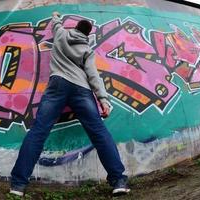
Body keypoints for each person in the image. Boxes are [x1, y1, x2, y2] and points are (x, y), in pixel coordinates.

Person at [9, 11, 130, 197]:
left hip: (57, 84)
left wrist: (56, 16)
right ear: (87, 35)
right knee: (99, 132)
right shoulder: (87, 50)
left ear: (75, 28)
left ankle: (17, 185)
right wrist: (103, 99)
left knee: (39, 131)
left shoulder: (61, 34)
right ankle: (118, 180)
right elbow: (93, 75)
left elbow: (55, 23)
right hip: (81, 89)